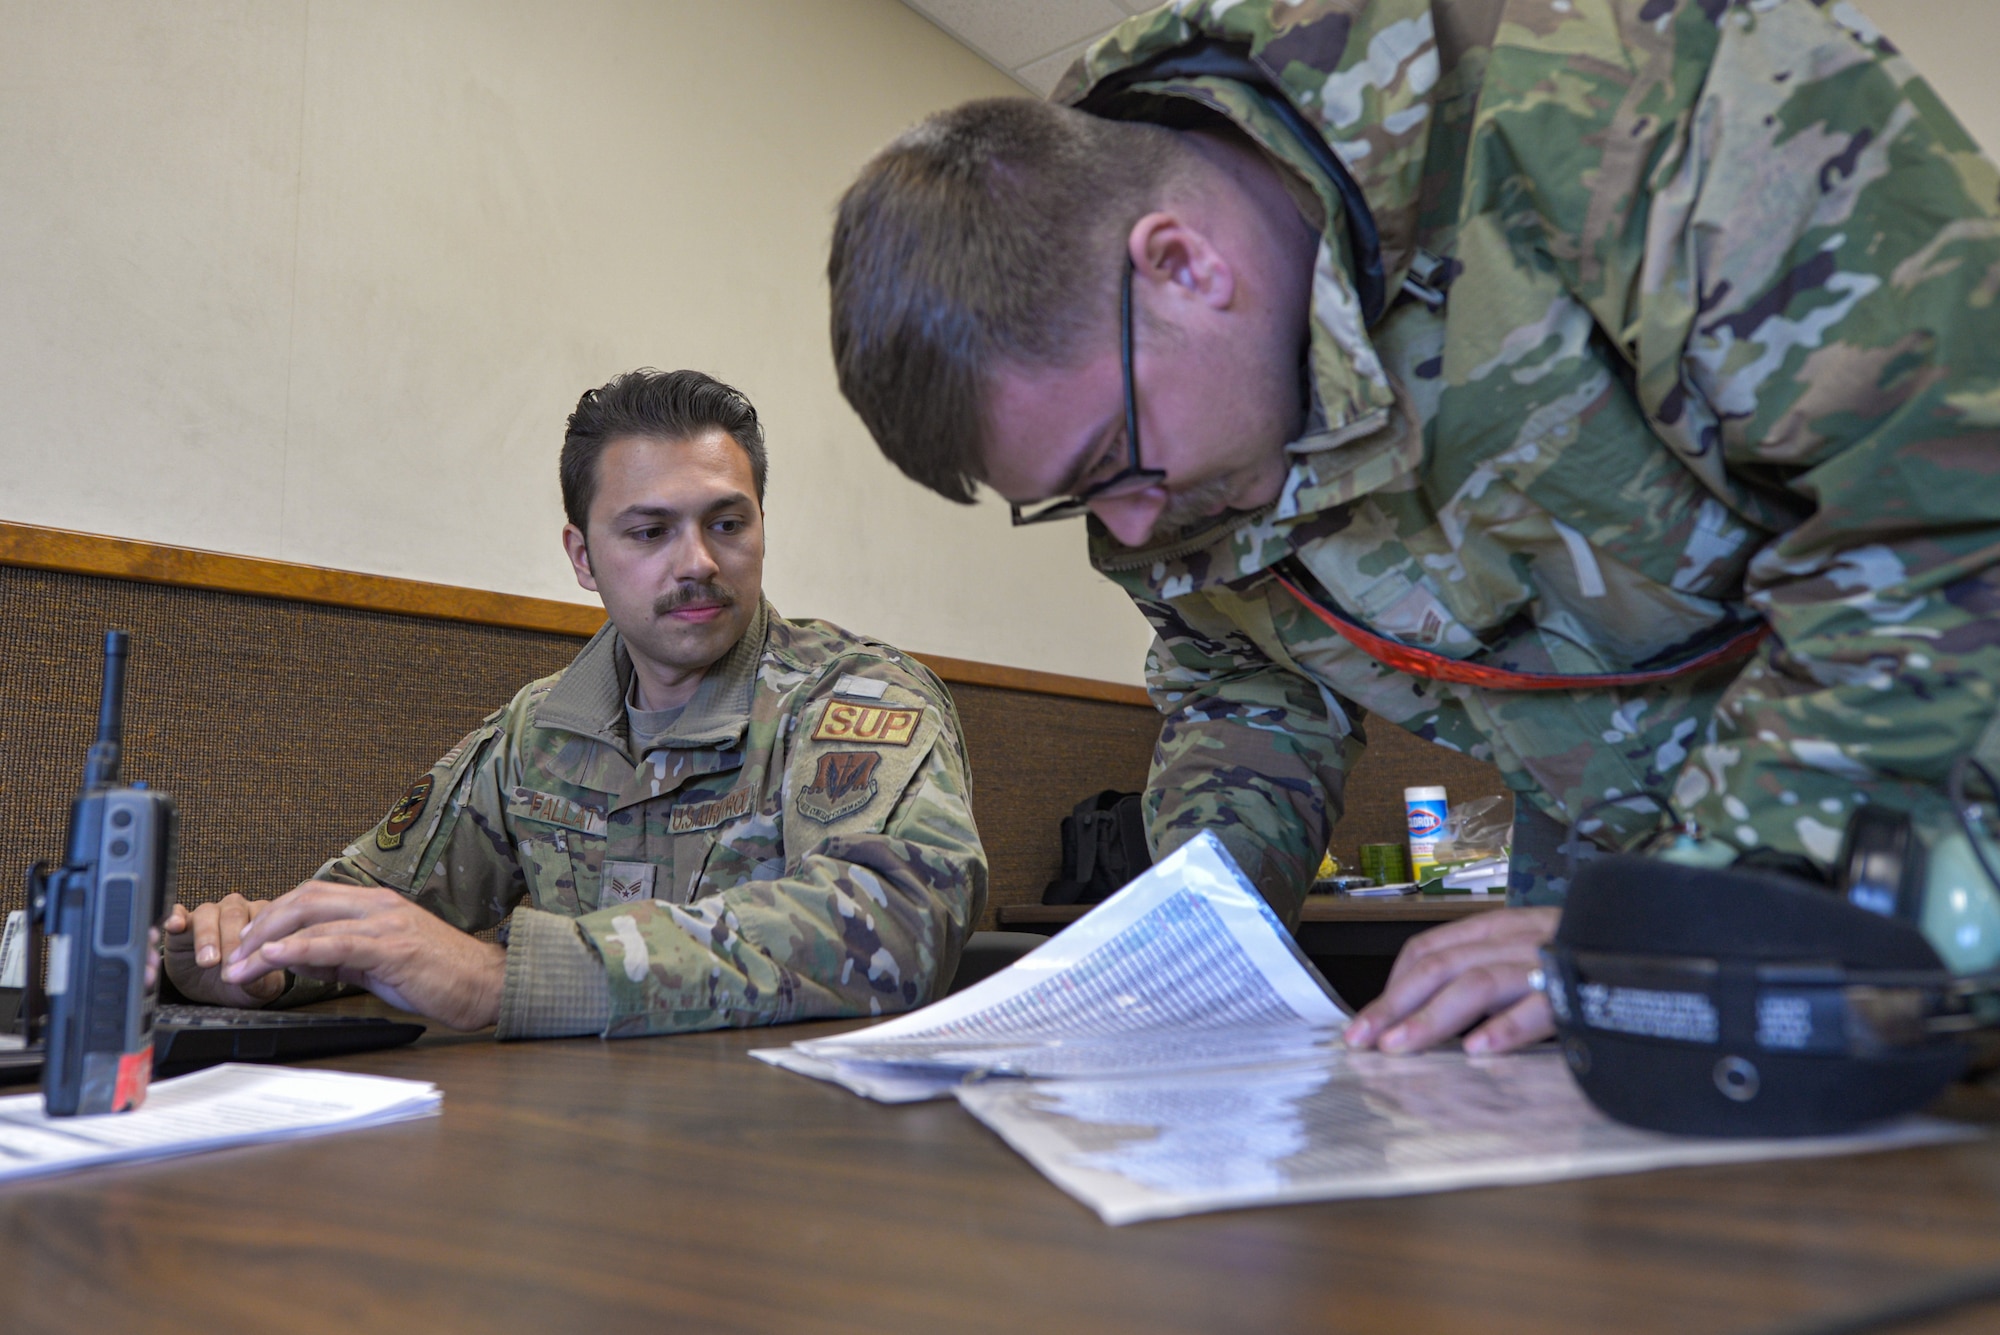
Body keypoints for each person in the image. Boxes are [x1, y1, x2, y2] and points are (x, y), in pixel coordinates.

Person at [826, 0, 2000, 1055]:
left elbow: (1941, 512)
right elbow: (1246, 682)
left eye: (1108, 464)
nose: (1127, 525)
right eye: (1073, 499)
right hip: (1628, 907)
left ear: (1179, 266)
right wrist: (1188, 945)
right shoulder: (1171, 466)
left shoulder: (1643, 102)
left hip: (1923, 806)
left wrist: (1675, 915)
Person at [163, 369, 987, 1038]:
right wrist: (253, 960)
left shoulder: (856, 697)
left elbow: (895, 924)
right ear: (583, 557)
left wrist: (508, 977)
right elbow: (379, 902)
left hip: (786, 1161)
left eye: (726, 522)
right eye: (649, 531)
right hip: (569, 1151)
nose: (697, 561)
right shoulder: (540, 730)